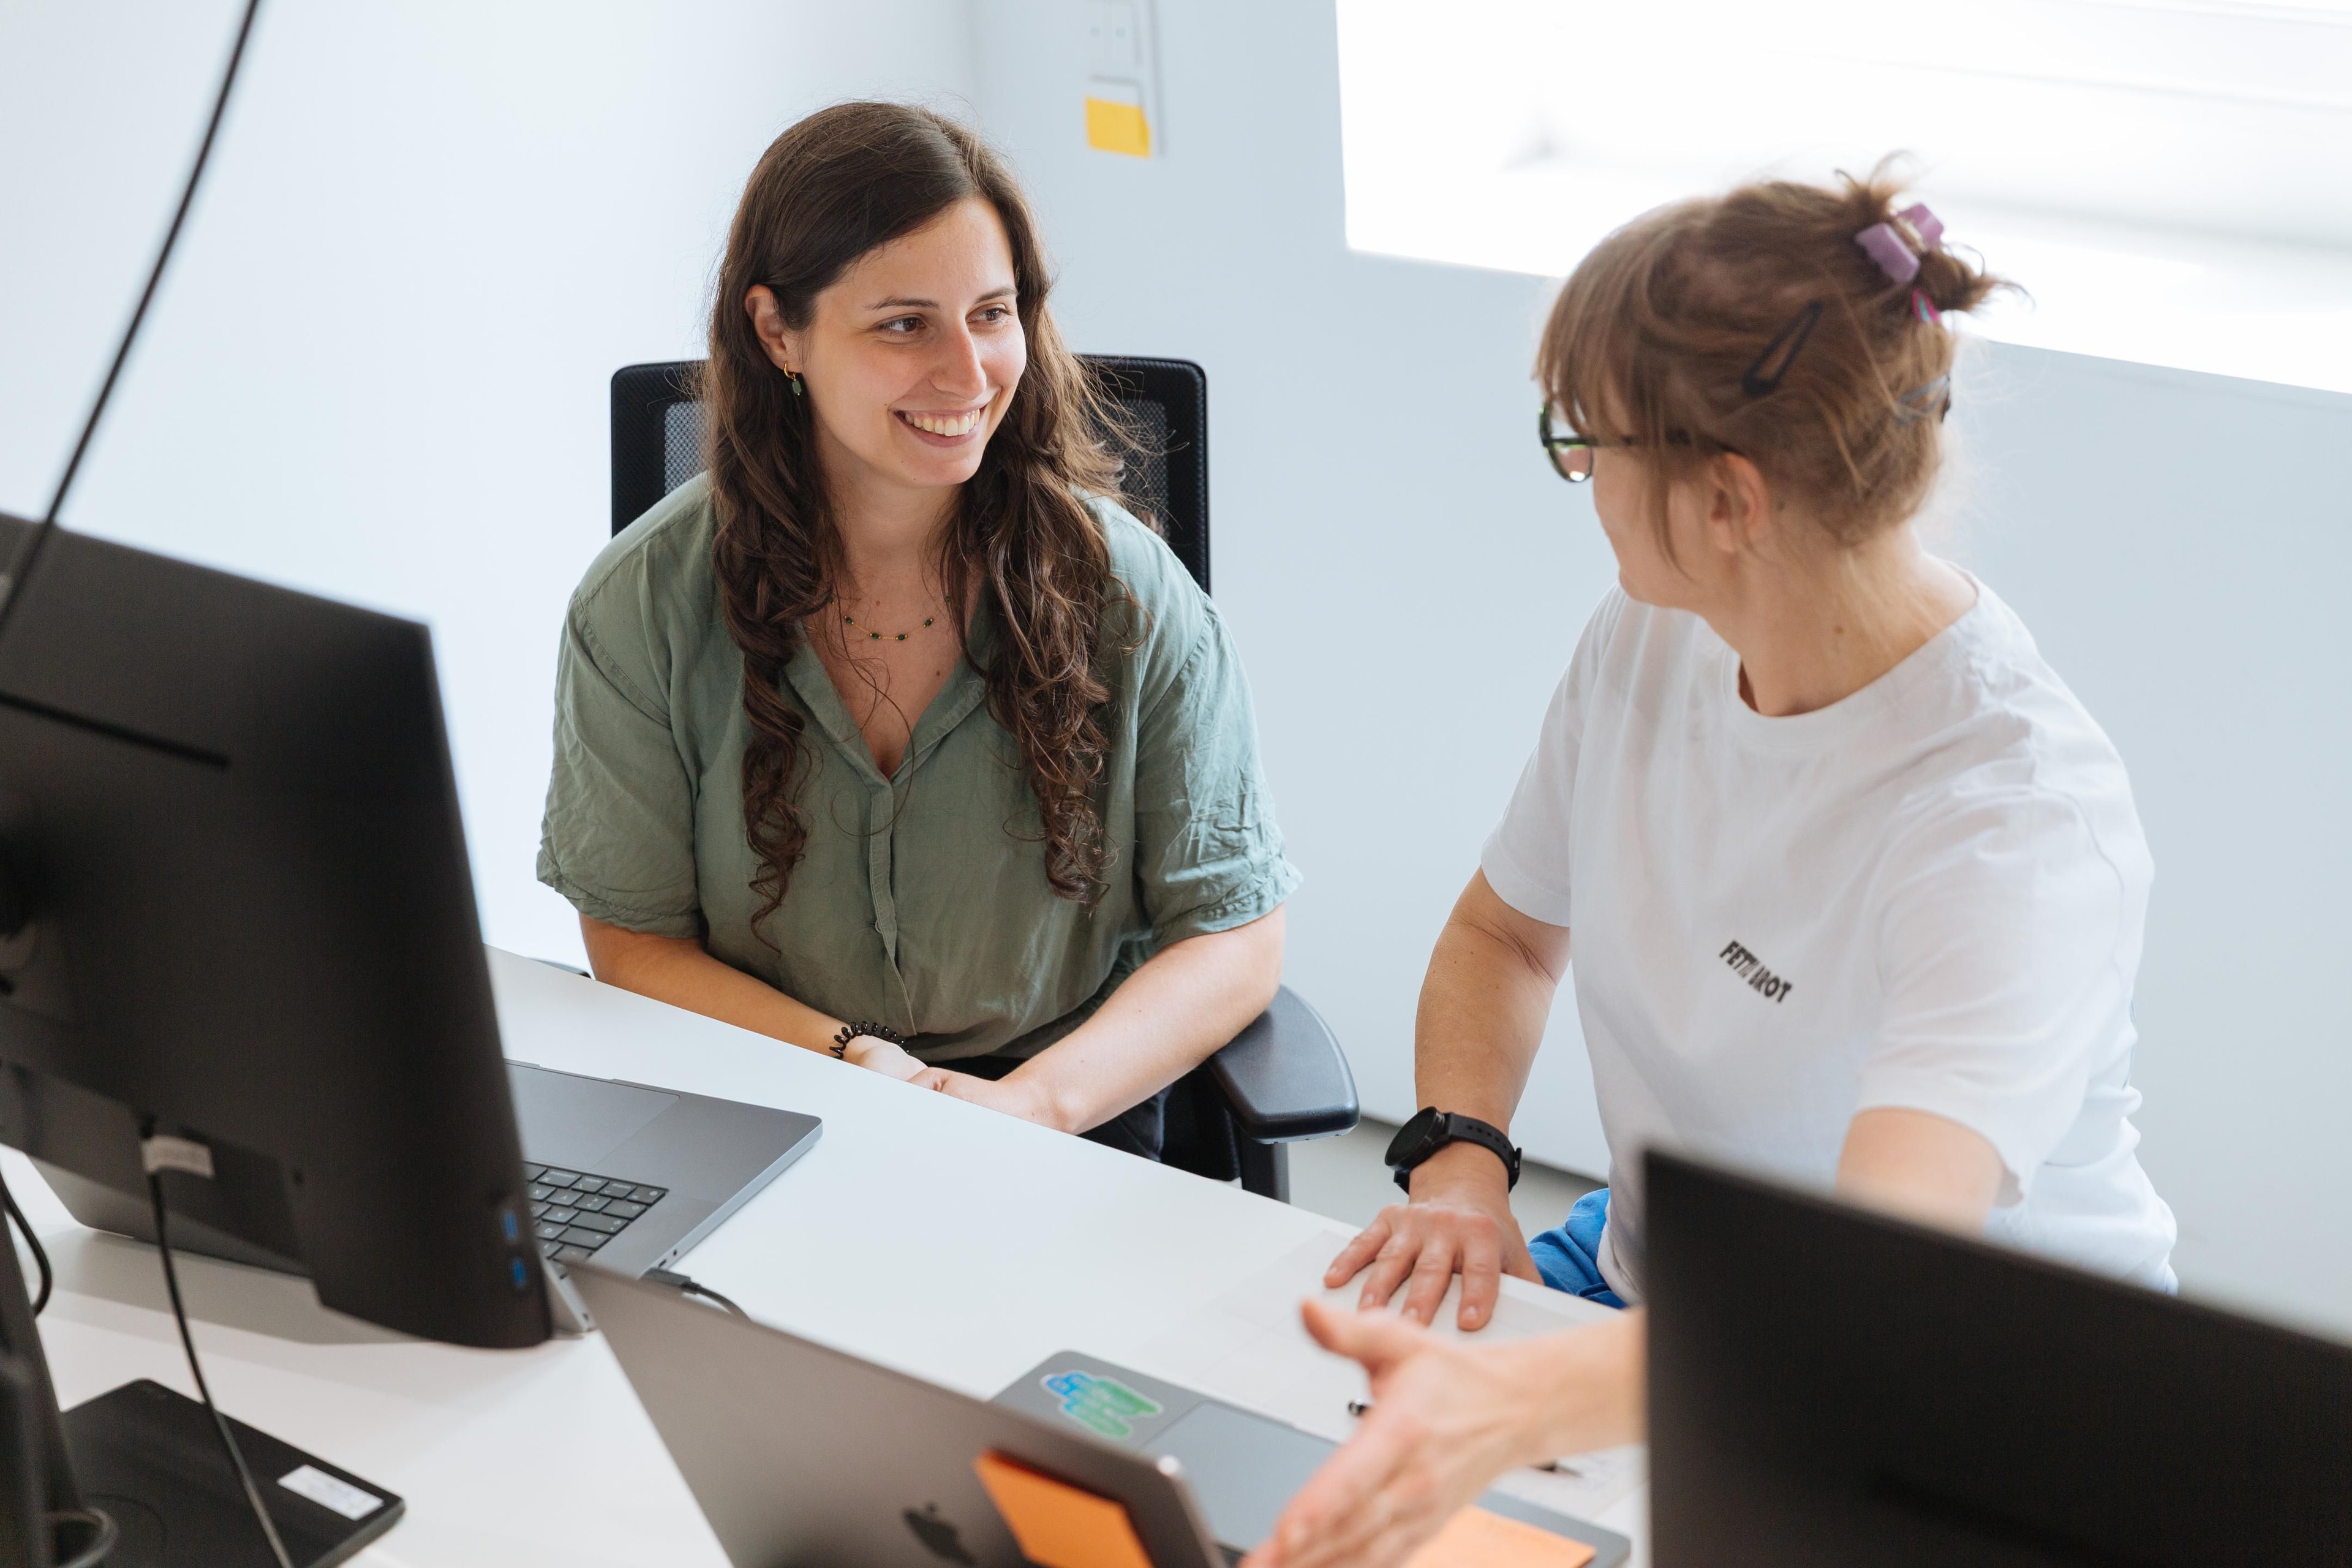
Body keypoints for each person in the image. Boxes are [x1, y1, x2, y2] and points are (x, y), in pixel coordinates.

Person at [1246, 166, 2177, 1567]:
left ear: (1728, 497)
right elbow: (1506, 937)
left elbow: (1864, 1298)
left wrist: (1517, 1400)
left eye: (1589, 439)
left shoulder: (2012, 827)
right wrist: (1462, 1171)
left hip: (1969, 1410)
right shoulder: (1654, 635)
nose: (1580, 478)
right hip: (1671, 1296)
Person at [538, 102, 1297, 1159]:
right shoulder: (641, 604)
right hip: (770, 1090)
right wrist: (852, 1061)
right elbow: (632, 941)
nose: (969, 373)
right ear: (777, 332)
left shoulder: (1128, 592)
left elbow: (1235, 932)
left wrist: (1035, 1106)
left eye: (992, 314)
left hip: (1062, 1112)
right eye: (905, 324)